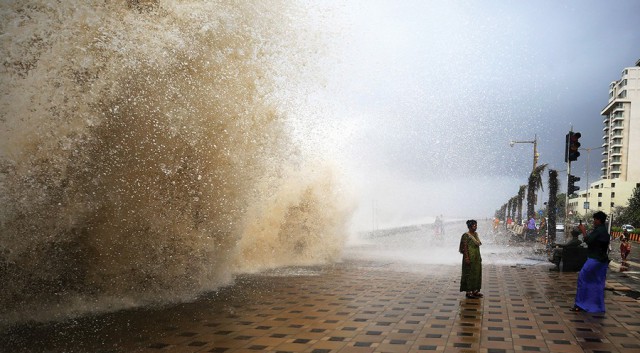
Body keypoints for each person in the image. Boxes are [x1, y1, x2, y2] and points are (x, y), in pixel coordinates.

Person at [571, 211, 610, 313]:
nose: (594, 221)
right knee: (597, 283)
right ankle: (596, 306)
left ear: (599, 220)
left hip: (594, 260)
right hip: (602, 261)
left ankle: (580, 305)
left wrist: (583, 230)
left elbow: (588, 240)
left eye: (595, 220)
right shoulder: (603, 230)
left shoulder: (599, 231)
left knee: (582, 279)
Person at [459, 220, 482, 299]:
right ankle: (468, 292)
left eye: (476, 225)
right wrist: (466, 258)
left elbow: (477, 245)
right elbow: (464, 247)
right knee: (469, 274)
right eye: (474, 226)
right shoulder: (466, 235)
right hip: (469, 257)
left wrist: (479, 257)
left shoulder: (475, 234)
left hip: (476, 257)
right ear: (469, 226)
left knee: (476, 273)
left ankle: (475, 291)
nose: (475, 227)